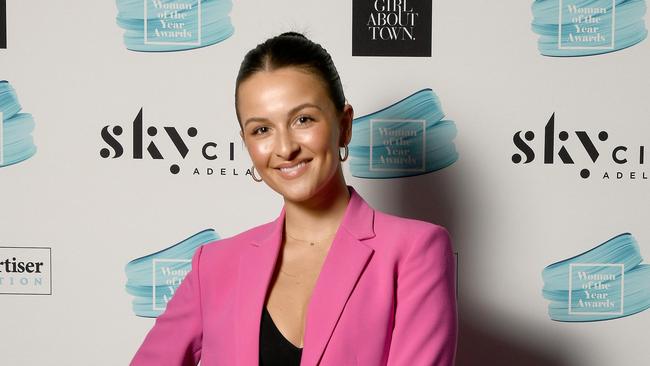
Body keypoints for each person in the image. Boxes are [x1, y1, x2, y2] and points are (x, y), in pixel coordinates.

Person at [130, 31, 457, 366]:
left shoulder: (415, 251)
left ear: (343, 125)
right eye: (262, 130)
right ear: (246, 144)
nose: (285, 148)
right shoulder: (212, 266)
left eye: (303, 120)